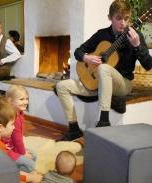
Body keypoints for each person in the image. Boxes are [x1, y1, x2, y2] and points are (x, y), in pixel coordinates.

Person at [56, 0, 152, 141]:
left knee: (104, 68)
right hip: (98, 82)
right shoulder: (102, 35)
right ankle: (74, 129)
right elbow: (78, 51)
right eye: (118, 18)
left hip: (123, 84)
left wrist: (137, 46)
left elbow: (148, 65)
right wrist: (86, 58)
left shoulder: (135, 36)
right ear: (110, 18)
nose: (123, 23)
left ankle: (103, 121)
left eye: (126, 18)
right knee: (61, 86)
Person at [0, 99, 43, 183]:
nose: (14, 128)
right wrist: (29, 178)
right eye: (12, 124)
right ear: (0, 128)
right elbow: (7, 174)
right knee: (28, 166)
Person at [4, 85, 37, 173]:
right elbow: (17, 140)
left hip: (14, 147)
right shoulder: (13, 117)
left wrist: (23, 151)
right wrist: (23, 153)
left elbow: (19, 138)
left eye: (27, 99)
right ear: (10, 101)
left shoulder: (20, 113)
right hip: (6, 150)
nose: (26, 102)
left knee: (34, 155)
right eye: (21, 99)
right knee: (31, 165)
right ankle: (10, 169)